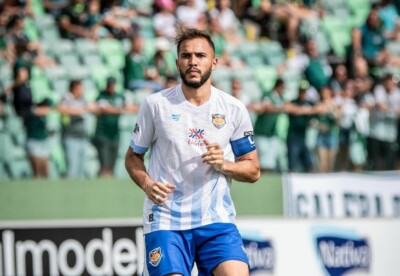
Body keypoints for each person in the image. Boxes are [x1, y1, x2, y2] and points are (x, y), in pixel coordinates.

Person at [125, 26, 260, 276]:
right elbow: (133, 156)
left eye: (200, 55)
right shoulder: (155, 105)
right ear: (177, 64)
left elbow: (252, 169)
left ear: (214, 62)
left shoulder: (233, 108)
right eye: (186, 56)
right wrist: (146, 183)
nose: (193, 62)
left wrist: (226, 165)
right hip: (166, 220)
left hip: (216, 221)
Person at [94, 77, 137, 177]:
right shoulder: (101, 96)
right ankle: (103, 180)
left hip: (114, 134)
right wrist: (121, 110)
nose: (111, 87)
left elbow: (129, 106)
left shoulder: (118, 96)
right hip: (103, 134)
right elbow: (106, 109)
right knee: (104, 162)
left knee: (113, 161)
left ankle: (110, 180)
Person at [58, 79, 95, 178]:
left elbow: (91, 107)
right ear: (74, 88)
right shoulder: (66, 99)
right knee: (72, 167)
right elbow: (62, 109)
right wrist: (81, 111)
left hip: (81, 137)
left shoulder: (82, 99)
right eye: (80, 88)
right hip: (70, 137)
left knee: (81, 168)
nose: (82, 91)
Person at [248, 78, 287, 172]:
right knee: (263, 157)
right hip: (262, 131)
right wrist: (280, 109)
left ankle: (266, 178)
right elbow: (266, 107)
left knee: (270, 159)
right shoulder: (268, 95)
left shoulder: (280, 98)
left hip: (272, 131)